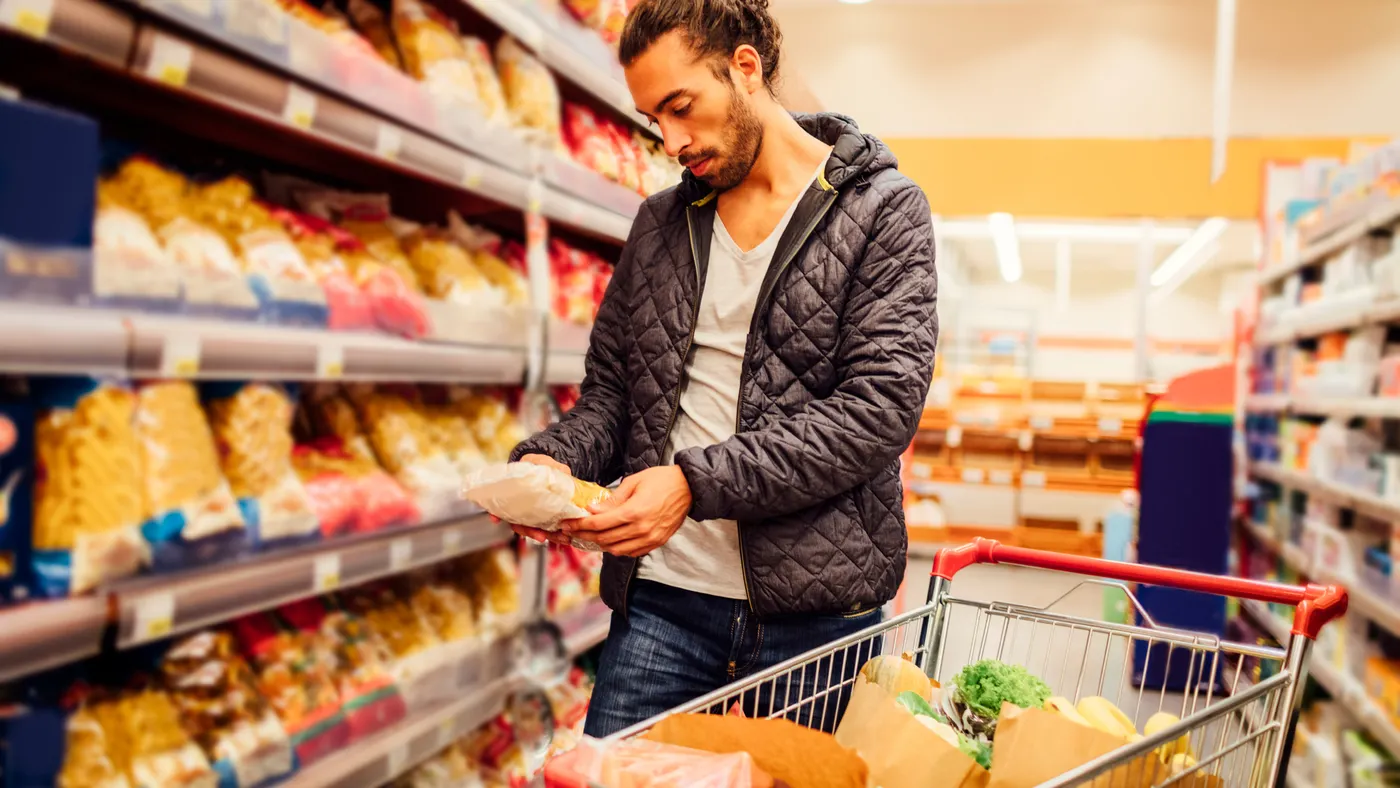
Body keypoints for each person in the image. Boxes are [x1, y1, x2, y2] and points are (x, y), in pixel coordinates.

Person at [507, 0, 939, 737]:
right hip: (665, 603)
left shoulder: (883, 212)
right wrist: (546, 464)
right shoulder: (661, 225)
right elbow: (614, 394)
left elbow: (876, 411)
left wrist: (692, 483)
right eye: (654, 120)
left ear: (744, 67)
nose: (671, 140)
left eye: (681, 107)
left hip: (818, 616)